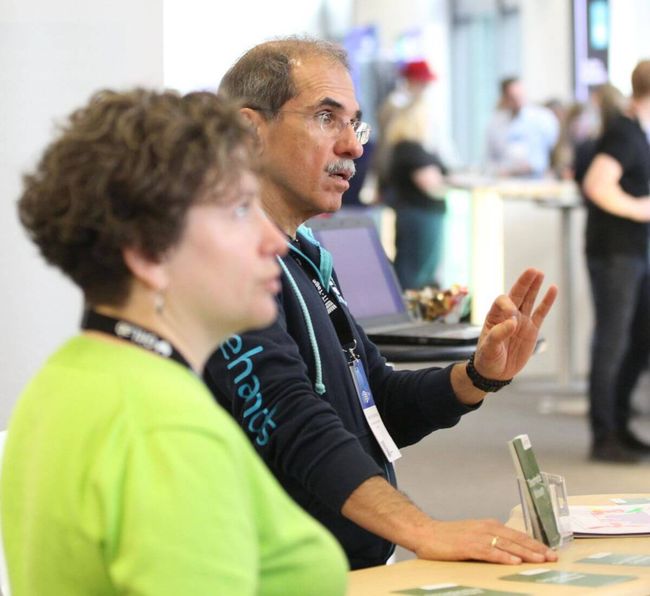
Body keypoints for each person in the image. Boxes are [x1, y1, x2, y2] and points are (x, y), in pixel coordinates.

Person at [205, 36, 558, 570]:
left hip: (349, 570)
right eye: (327, 118)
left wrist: (478, 376)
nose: (353, 146)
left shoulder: (303, 254)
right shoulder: (226, 262)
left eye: (355, 124)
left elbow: (376, 401)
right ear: (249, 132)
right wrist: (423, 531)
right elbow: (291, 422)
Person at [0, 89, 348, 595]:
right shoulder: (166, 428)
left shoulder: (67, 378)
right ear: (148, 253)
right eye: (238, 210)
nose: (273, 241)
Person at [581, 61, 650, 463]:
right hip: (614, 253)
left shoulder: (637, 130)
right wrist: (641, 209)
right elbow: (596, 185)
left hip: (633, 252)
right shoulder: (624, 132)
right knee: (612, 340)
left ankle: (620, 424)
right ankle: (604, 432)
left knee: (639, 337)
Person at [382, 96, 449, 289]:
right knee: (415, 275)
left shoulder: (406, 149)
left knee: (418, 272)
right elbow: (431, 185)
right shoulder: (410, 149)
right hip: (419, 217)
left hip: (418, 215)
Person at [485, 77, 559, 177]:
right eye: (512, 97)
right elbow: (491, 156)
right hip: (506, 178)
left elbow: (553, 146)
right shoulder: (496, 122)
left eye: (519, 95)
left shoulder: (543, 118)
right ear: (504, 98)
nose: (517, 100)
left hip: (536, 177)